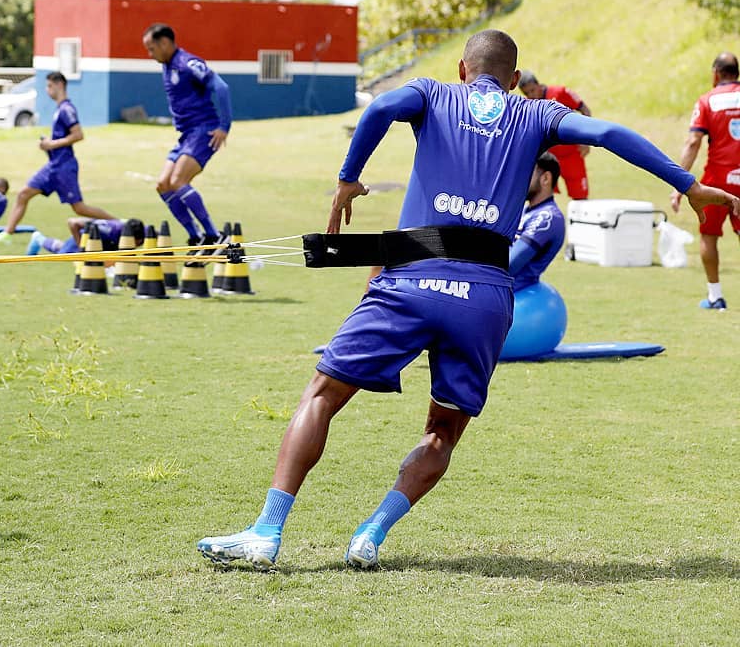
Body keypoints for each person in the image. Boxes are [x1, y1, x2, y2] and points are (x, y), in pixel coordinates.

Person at [196, 29, 738, 571]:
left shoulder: (433, 94)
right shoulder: (537, 115)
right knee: (442, 431)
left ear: (462, 68)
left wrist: (347, 179)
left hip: (410, 282)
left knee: (322, 395)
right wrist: (686, 184)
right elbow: (609, 132)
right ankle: (370, 533)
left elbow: (381, 106)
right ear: (512, 76)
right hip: (484, 300)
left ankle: (267, 531)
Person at [0, 72, 113, 246]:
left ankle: (117, 224)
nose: (47, 90)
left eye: (49, 86)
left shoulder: (67, 109)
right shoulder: (59, 109)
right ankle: (7, 234)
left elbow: (78, 135)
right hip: (52, 167)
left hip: (64, 167)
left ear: (59, 85)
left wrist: (52, 144)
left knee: (79, 208)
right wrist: (48, 144)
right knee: (23, 194)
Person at [141, 24, 232, 249]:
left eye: (152, 49)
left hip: (203, 131)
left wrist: (224, 126)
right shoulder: (167, 65)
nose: (150, 55)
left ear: (165, 43)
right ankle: (197, 235)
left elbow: (221, 87)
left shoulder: (186, 63)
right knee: (163, 185)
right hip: (186, 135)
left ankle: (215, 236)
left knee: (178, 181)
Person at [669, 52, 740, 310]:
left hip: (718, 180)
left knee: (709, 236)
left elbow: (693, 142)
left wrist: (679, 184)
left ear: (716, 74)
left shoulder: (707, 101)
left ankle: (715, 296)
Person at [518, 71, 592, 199]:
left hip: (571, 154)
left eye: (532, 90)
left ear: (538, 85)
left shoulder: (560, 93)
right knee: (542, 194)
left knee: (580, 196)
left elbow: (585, 110)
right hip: (548, 158)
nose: (531, 95)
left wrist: (585, 140)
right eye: (527, 93)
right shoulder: (527, 105)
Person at [509, 152, 566, 291]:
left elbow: (510, 263)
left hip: (511, 296)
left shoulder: (548, 217)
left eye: (527, 173)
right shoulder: (524, 211)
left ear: (545, 178)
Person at [26, 216, 145, 256]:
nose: (138, 246)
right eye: (138, 243)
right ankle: (39, 239)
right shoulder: (108, 230)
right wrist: (80, 246)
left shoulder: (138, 230)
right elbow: (73, 222)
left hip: (101, 245)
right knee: (62, 254)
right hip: (84, 239)